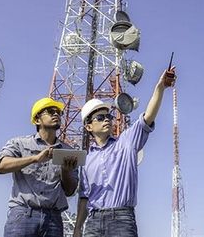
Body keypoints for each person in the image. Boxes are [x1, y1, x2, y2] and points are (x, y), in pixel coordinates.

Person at [73, 66, 177, 237]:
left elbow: (148, 117)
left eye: (108, 116)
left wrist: (160, 87)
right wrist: (78, 228)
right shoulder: (86, 159)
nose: (106, 120)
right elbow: (84, 198)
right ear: (88, 126)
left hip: (122, 219)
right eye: (100, 117)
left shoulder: (126, 142)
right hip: (93, 221)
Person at [0, 97, 79, 237]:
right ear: (37, 120)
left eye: (58, 112)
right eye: (50, 111)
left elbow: (70, 191)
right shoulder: (19, 143)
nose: (56, 114)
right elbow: (0, 166)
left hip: (53, 219)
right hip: (23, 215)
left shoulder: (68, 152)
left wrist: (66, 171)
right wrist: (34, 158)